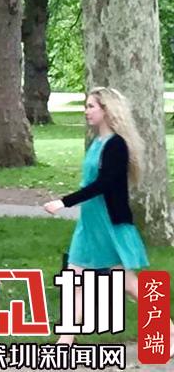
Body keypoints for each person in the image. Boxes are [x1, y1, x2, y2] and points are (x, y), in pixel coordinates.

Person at [43, 88, 172, 347]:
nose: (86, 111)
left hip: (108, 224)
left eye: (91, 106)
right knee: (75, 282)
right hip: (89, 224)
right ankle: (65, 342)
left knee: (127, 283)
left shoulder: (116, 145)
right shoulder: (96, 143)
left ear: (107, 110)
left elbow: (104, 184)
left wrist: (64, 202)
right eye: (86, 106)